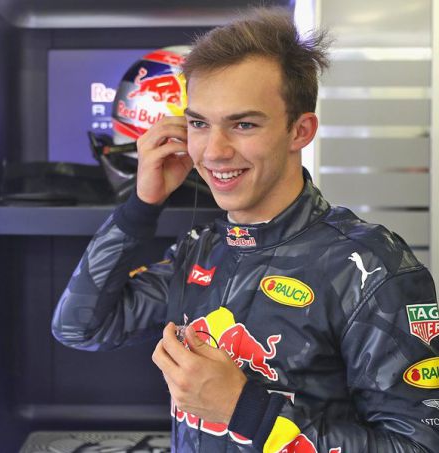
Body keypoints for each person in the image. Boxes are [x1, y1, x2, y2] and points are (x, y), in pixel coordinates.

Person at [52, 7, 439, 452]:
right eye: (199, 123)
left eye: (244, 124)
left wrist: (246, 410)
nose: (214, 151)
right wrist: (141, 206)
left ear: (300, 131)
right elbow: (80, 327)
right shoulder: (201, 250)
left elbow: (419, 447)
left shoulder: (371, 267)